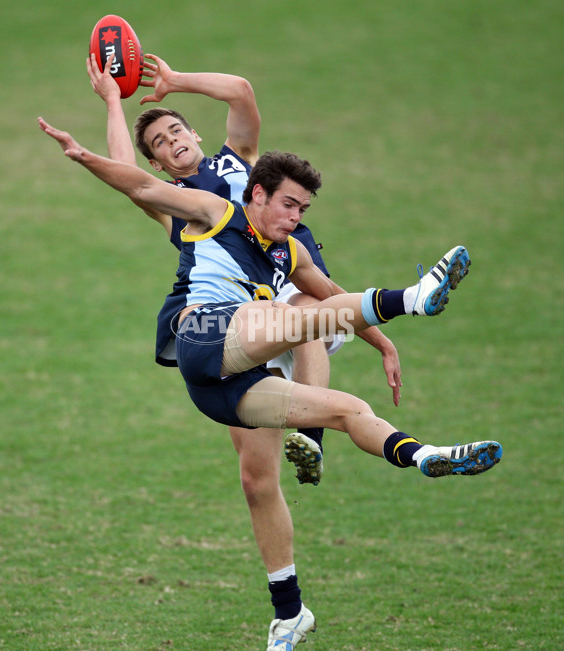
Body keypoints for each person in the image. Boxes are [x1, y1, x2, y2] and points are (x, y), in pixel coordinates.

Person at [38, 118, 503, 650]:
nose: (296, 218)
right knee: (296, 319)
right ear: (257, 194)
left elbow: (332, 297)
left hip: (226, 388)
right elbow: (141, 185)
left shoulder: (292, 252)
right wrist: (83, 155)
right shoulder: (216, 212)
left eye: (304, 210)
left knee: (346, 408)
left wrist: (382, 344)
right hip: (204, 333)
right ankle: (417, 297)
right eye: (289, 205)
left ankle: (419, 464)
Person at [86, 52, 348, 485]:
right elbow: (124, 174)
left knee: (304, 313)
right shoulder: (173, 203)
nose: (172, 141)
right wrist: (113, 100)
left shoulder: (239, 160)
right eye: (160, 143)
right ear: (156, 164)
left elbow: (241, 93)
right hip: (237, 319)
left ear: (195, 133)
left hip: (288, 287)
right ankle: (296, 485)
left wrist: (175, 80)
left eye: (175, 130)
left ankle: (313, 436)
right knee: (255, 477)